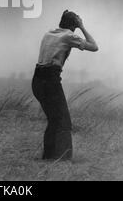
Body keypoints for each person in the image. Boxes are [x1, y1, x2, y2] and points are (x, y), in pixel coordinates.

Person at [32, 10, 98, 161]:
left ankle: (48, 157)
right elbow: (94, 47)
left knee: (54, 120)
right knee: (64, 122)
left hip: (37, 81)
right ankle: (63, 160)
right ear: (74, 25)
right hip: (50, 81)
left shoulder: (48, 33)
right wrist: (82, 26)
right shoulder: (69, 36)